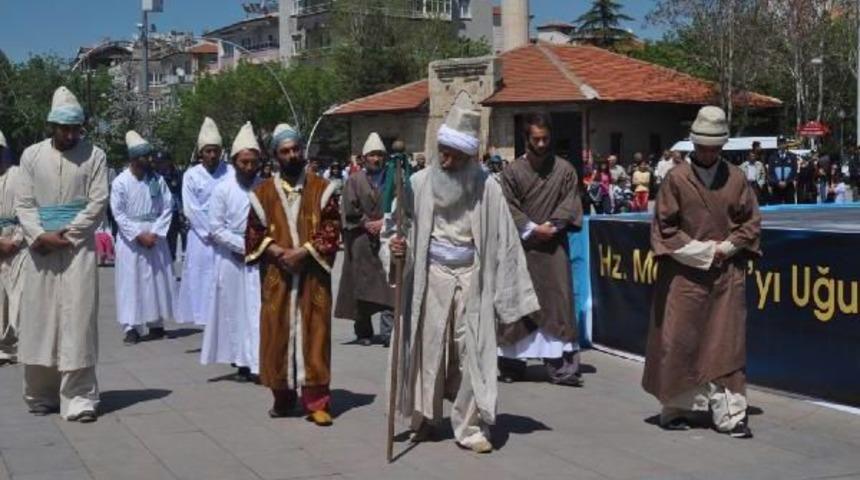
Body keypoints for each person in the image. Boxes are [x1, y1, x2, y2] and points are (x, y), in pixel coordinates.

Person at [389, 106, 539, 454]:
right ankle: (425, 418)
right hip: (432, 275)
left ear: (470, 157)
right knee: (429, 350)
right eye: (443, 152)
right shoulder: (418, 184)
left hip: (473, 277)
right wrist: (397, 248)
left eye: (454, 156)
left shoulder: (488, 189)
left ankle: (470, 425)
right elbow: (397, 227)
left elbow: (505, 242)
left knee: (473, 353)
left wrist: (511, 299)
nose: (446, 161)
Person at [643, 106, 760, 439]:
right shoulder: (675, 178)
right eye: (703, 145)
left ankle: (731, 414)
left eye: (715, 146)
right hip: (684, 273)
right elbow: (665, 228)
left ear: (722, 145)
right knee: (680, 340)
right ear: (694, 144)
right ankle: (677, 407)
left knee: (727, 342)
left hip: (727, 273)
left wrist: (728, 247)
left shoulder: (736, 178)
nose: (708, 152)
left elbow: (751, 222)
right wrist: (705, 252)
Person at [15, 86, 108, 422]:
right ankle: (40, 393)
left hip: (76, 249)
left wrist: (65, 235)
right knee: (40, 319)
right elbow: (23, 203)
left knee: (78, 320)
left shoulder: (94, 155)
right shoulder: (31, 156)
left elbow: (97, 202)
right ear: (51, 126)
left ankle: (80, 397)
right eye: (63, 128)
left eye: (75, 128)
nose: (70, 134)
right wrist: (39, 234)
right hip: (40, 249)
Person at [245, 123, 341, 426]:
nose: (292, 155)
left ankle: (317, 402)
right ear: (276, 156)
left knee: (316, 334)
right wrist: (277, 252)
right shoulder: (261, 193)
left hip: (312, 275)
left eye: (296, 149)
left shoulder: (322, 189)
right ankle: (283, 399)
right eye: (285, 151)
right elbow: (252, 234)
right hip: (278, 276)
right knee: (276, 334)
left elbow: (331, 229)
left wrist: (303, 252)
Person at [497, 113, 584, 387]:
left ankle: (561, 367)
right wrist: (531, 228)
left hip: (553, 247)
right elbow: (506, 205)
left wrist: (551, 227)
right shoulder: (511, 172)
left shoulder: (565, 170)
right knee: (517, 305)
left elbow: (571, 203)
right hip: (520, 247)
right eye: (536, 139)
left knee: (557, 302)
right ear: (527, 140)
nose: (542, 144)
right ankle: (512, 364)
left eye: (546, 138)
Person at [200, 122, 262, 383]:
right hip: (231, 259)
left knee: (258, 311)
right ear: (235, 161)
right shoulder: (222, 189)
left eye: (252, 162)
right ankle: (241, 363)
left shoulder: (266, 187)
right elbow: (215, 228)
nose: (248, 167)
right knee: (235, 312)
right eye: (243, 162)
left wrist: (257, 247)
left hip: (260, 257)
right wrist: (242, 247)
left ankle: (260, 361)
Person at [111, 131, 176, 345]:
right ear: (133, 159)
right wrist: (138, 234)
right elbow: (118, 213)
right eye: (144, 157)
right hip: (132, 241)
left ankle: (155, 323)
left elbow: (167, 206)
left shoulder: (157, 180)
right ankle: (131, 327)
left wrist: (155, 232)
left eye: (149, 156)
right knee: (131, 282)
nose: (149, 160)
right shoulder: (121, 182)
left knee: (156, 280)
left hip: (155, 236)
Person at [335, 133, 394, 347]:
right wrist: (365, 222)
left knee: (390, 286)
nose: (376, 159)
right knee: (360, 286)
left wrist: (385, 223)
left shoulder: (394, 178)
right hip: (361, 239)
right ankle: (363, 332)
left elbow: (403, 206)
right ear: (364, 158)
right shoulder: (354, 180)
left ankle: (389, 333)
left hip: (387, 237)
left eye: (379, 155)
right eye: (372, 155)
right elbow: (349, 208)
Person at [176, 117, 233, 326]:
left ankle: (225, 321)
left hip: (226, 235)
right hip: (202, 238)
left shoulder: (231, 172)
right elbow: (191, 208)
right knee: (202, 279)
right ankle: (205, 322)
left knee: (224, 279)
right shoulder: (191, 175)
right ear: (201, 152)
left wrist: (223, 231)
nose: (212, 155)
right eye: (208, 151)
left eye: (215, 150)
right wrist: (209, 231)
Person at [0, 129, 24, 366]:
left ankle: (16, 346)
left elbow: (28, 211)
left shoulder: (18, 175)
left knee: (17, 297)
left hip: (17, 246)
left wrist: (15, 240)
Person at [153, 151, 185, 262]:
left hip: (174, 213)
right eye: (157, 162)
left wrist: (182, 212)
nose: (160, 165)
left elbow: (181, 194)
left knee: (172, 241)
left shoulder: (177, 175)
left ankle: (170, 264)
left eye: (162, 162)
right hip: (158, 214)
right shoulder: (153, 177)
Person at [767, 137, 797, 204]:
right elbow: (770, 173)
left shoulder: (792, 157)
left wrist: (786, 182)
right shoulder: (772, 157)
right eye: (780, 143)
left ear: (786, 144)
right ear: (777, 145)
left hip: (788, 186)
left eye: (783, 143)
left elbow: (794, 172)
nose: (782, 145)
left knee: (790, 208)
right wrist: (778, 182)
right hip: (776, 187)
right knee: (776, 208)